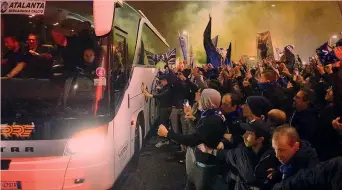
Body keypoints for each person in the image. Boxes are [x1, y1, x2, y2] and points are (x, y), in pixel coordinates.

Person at [158, 88, 226, 190]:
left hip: (205, 165)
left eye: (201, 97)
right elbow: (202, 132)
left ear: (207, 101)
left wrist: (167, 134)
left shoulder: (212, 120)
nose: (198, 99)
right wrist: (194, 118)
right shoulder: (212, 114)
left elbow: (193, 140)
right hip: (202, 161)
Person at [198, 120, 280, 190]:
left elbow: (285, 170)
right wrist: (209, 151)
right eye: (245, 133)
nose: (244, 136)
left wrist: (277, 172)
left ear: (260, 139)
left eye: (249, 134)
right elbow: (226, 154)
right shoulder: (240, 152)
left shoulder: (274, 154)